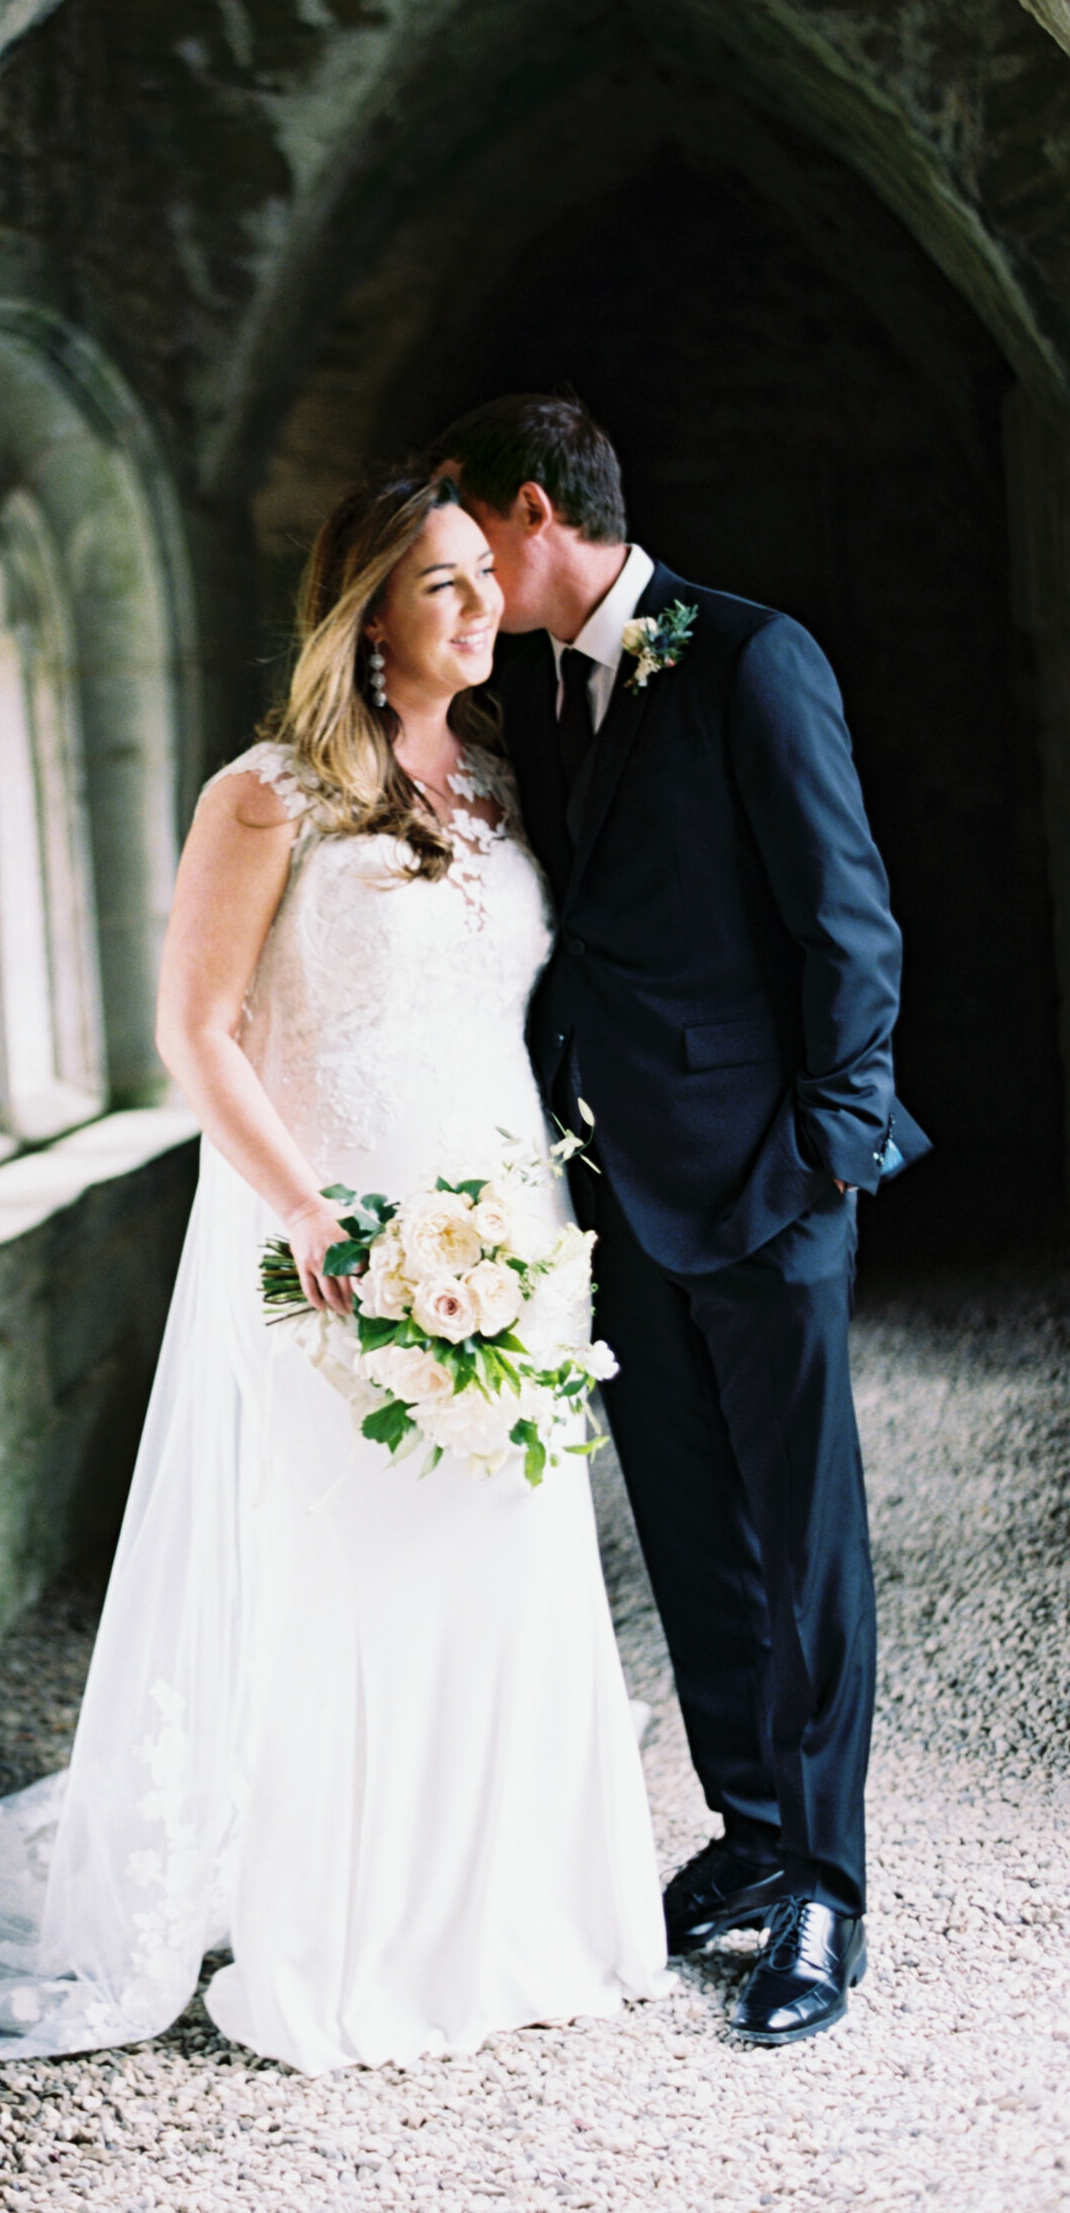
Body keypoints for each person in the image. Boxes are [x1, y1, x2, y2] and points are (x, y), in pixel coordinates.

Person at [0, 470, 665, 2072]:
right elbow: (194, 1029)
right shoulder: (266, 791)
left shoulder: (487, 779)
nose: (480, 609)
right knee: (352, 1558)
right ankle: (351, 1920)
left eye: (485, 576)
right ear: (367, 613)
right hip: (337, 1229)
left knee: (502, 1541)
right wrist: (318, 1213)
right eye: (443, 586)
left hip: (503, 1222)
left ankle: (513, 1903)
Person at [431, 392, 926, 2047]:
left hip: (767, 1183)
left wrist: (826, 1154)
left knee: (803, 1547)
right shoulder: (534, 694)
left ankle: (827, 1896)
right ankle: (747, 1829)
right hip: (608, 1187)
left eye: (470, 541)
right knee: (692, 1540)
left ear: (530, 511)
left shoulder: (744, 656)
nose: (463, 579)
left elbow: (845, 920)